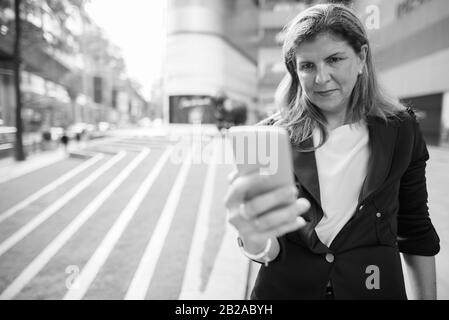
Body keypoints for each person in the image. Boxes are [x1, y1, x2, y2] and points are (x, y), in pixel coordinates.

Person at [224, 3, 440, 300]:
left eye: (334, 59)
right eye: (307, 65)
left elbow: (415, 230)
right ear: (295, 70)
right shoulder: (268, 137)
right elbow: (269, 250)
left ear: (362, 57)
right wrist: (252, 234)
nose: (321, 78)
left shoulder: (402, 129)